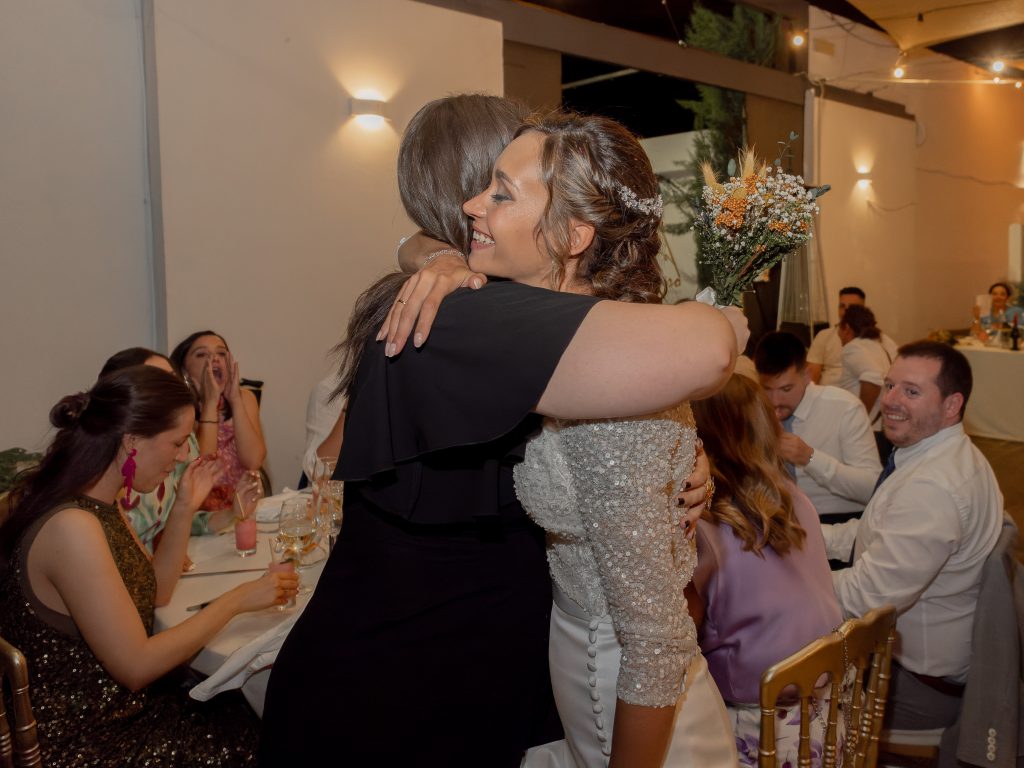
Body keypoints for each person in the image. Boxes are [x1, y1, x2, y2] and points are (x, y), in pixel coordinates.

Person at [260, 98, 739, 768]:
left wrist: (678, 458)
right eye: (486, 183)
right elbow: (709, 347)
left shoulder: (500, 312)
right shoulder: (461, 316)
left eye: (502, 190)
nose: (476, 205)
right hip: (403, 695)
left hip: (485, 683)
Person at [0, 365, 298, 767]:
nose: (184, 455)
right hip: (91, 740)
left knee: (264, 710)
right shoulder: (73, 527)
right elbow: (137, 666)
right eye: (177, 442)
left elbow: (156, 590)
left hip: (127, 710)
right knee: (277, 732)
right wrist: (238, 600)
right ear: (131, 442)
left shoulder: (102, 502)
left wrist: (184, 506)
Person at [822, 342, 1003, 730]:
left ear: (951, 405)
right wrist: (806, 540)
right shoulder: (940, 454)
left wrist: (789, 580)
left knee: (764, 693)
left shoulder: (932, 488)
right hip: (917, 659)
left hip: (913, 682)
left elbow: (864, 601)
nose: (889, 400)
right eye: (890, 385)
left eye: (912, 391)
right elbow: (875, 531)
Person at [689, 374, 842, 767]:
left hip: (758, 732)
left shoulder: (704, 527)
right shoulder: (793, 497)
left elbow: (677, 640)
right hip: (826, 721)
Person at [753, 332, 880, 525]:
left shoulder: (844, 408)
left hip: (839, 521)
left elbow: (871, 488)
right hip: (778, 520)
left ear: (807, 375)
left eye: (786, 389)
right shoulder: (756, 409)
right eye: (767, 389)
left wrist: (810, 458)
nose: (775, 401)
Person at [170, 330, 266, 511]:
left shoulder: (245, 398)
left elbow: (253, 461)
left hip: (243, 506)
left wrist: (235, 399)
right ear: (184, 371)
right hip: (200, 512)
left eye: (221, 353)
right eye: (202, 354)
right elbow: (203, 467)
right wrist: (210, 402)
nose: (214, 359)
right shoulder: (178, 409)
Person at [836, 305, 898, 458]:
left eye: (839, 326)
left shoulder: (853, 347)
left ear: (847, 328)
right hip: (882, 428)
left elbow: (872, 378)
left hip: (868, 431)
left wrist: (860, 418)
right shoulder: (881, 345)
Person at [807, 287, 896, 386]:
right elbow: (811, 378)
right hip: (827, 393)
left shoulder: (882, 341)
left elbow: (890, 378)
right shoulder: (824, 336)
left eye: (852, 308)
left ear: (862, 310)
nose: (845, 312)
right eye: (842, 306)